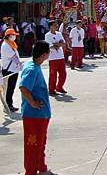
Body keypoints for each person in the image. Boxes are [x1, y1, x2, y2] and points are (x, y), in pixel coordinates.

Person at [20, 41, 52, 175]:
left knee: (40, 143)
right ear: (44, 55)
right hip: (33, 116)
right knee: (32, 145)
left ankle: (41, 167)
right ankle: (31, 172)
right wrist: (32, 102)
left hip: (41, 114)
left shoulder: (35, 65)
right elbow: (23, 87)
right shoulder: (32, 69)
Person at [2, 28, 23, 112]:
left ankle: (9, 105)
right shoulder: (5, 45)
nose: (14, 37)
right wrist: (19, 63)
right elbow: (13, 57)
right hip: (9, 70)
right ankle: (8, 106)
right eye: (13, 35)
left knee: (11, 88)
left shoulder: (11, 44)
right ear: (8, 36)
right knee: (8, 89)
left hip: (13, 69)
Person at [45, 20, 67, 96]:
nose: (56, 26)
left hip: (61, 56)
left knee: (63, 74)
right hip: (53, 58)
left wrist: (57, 44)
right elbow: (50, 46)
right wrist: (58, 44)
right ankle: (51, 89)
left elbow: (63, 43)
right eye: (54, 25)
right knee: (53, 74)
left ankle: (59, 87)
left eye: (57, 25)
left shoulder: (59, 34)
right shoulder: (47, 35)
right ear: (50, 27)